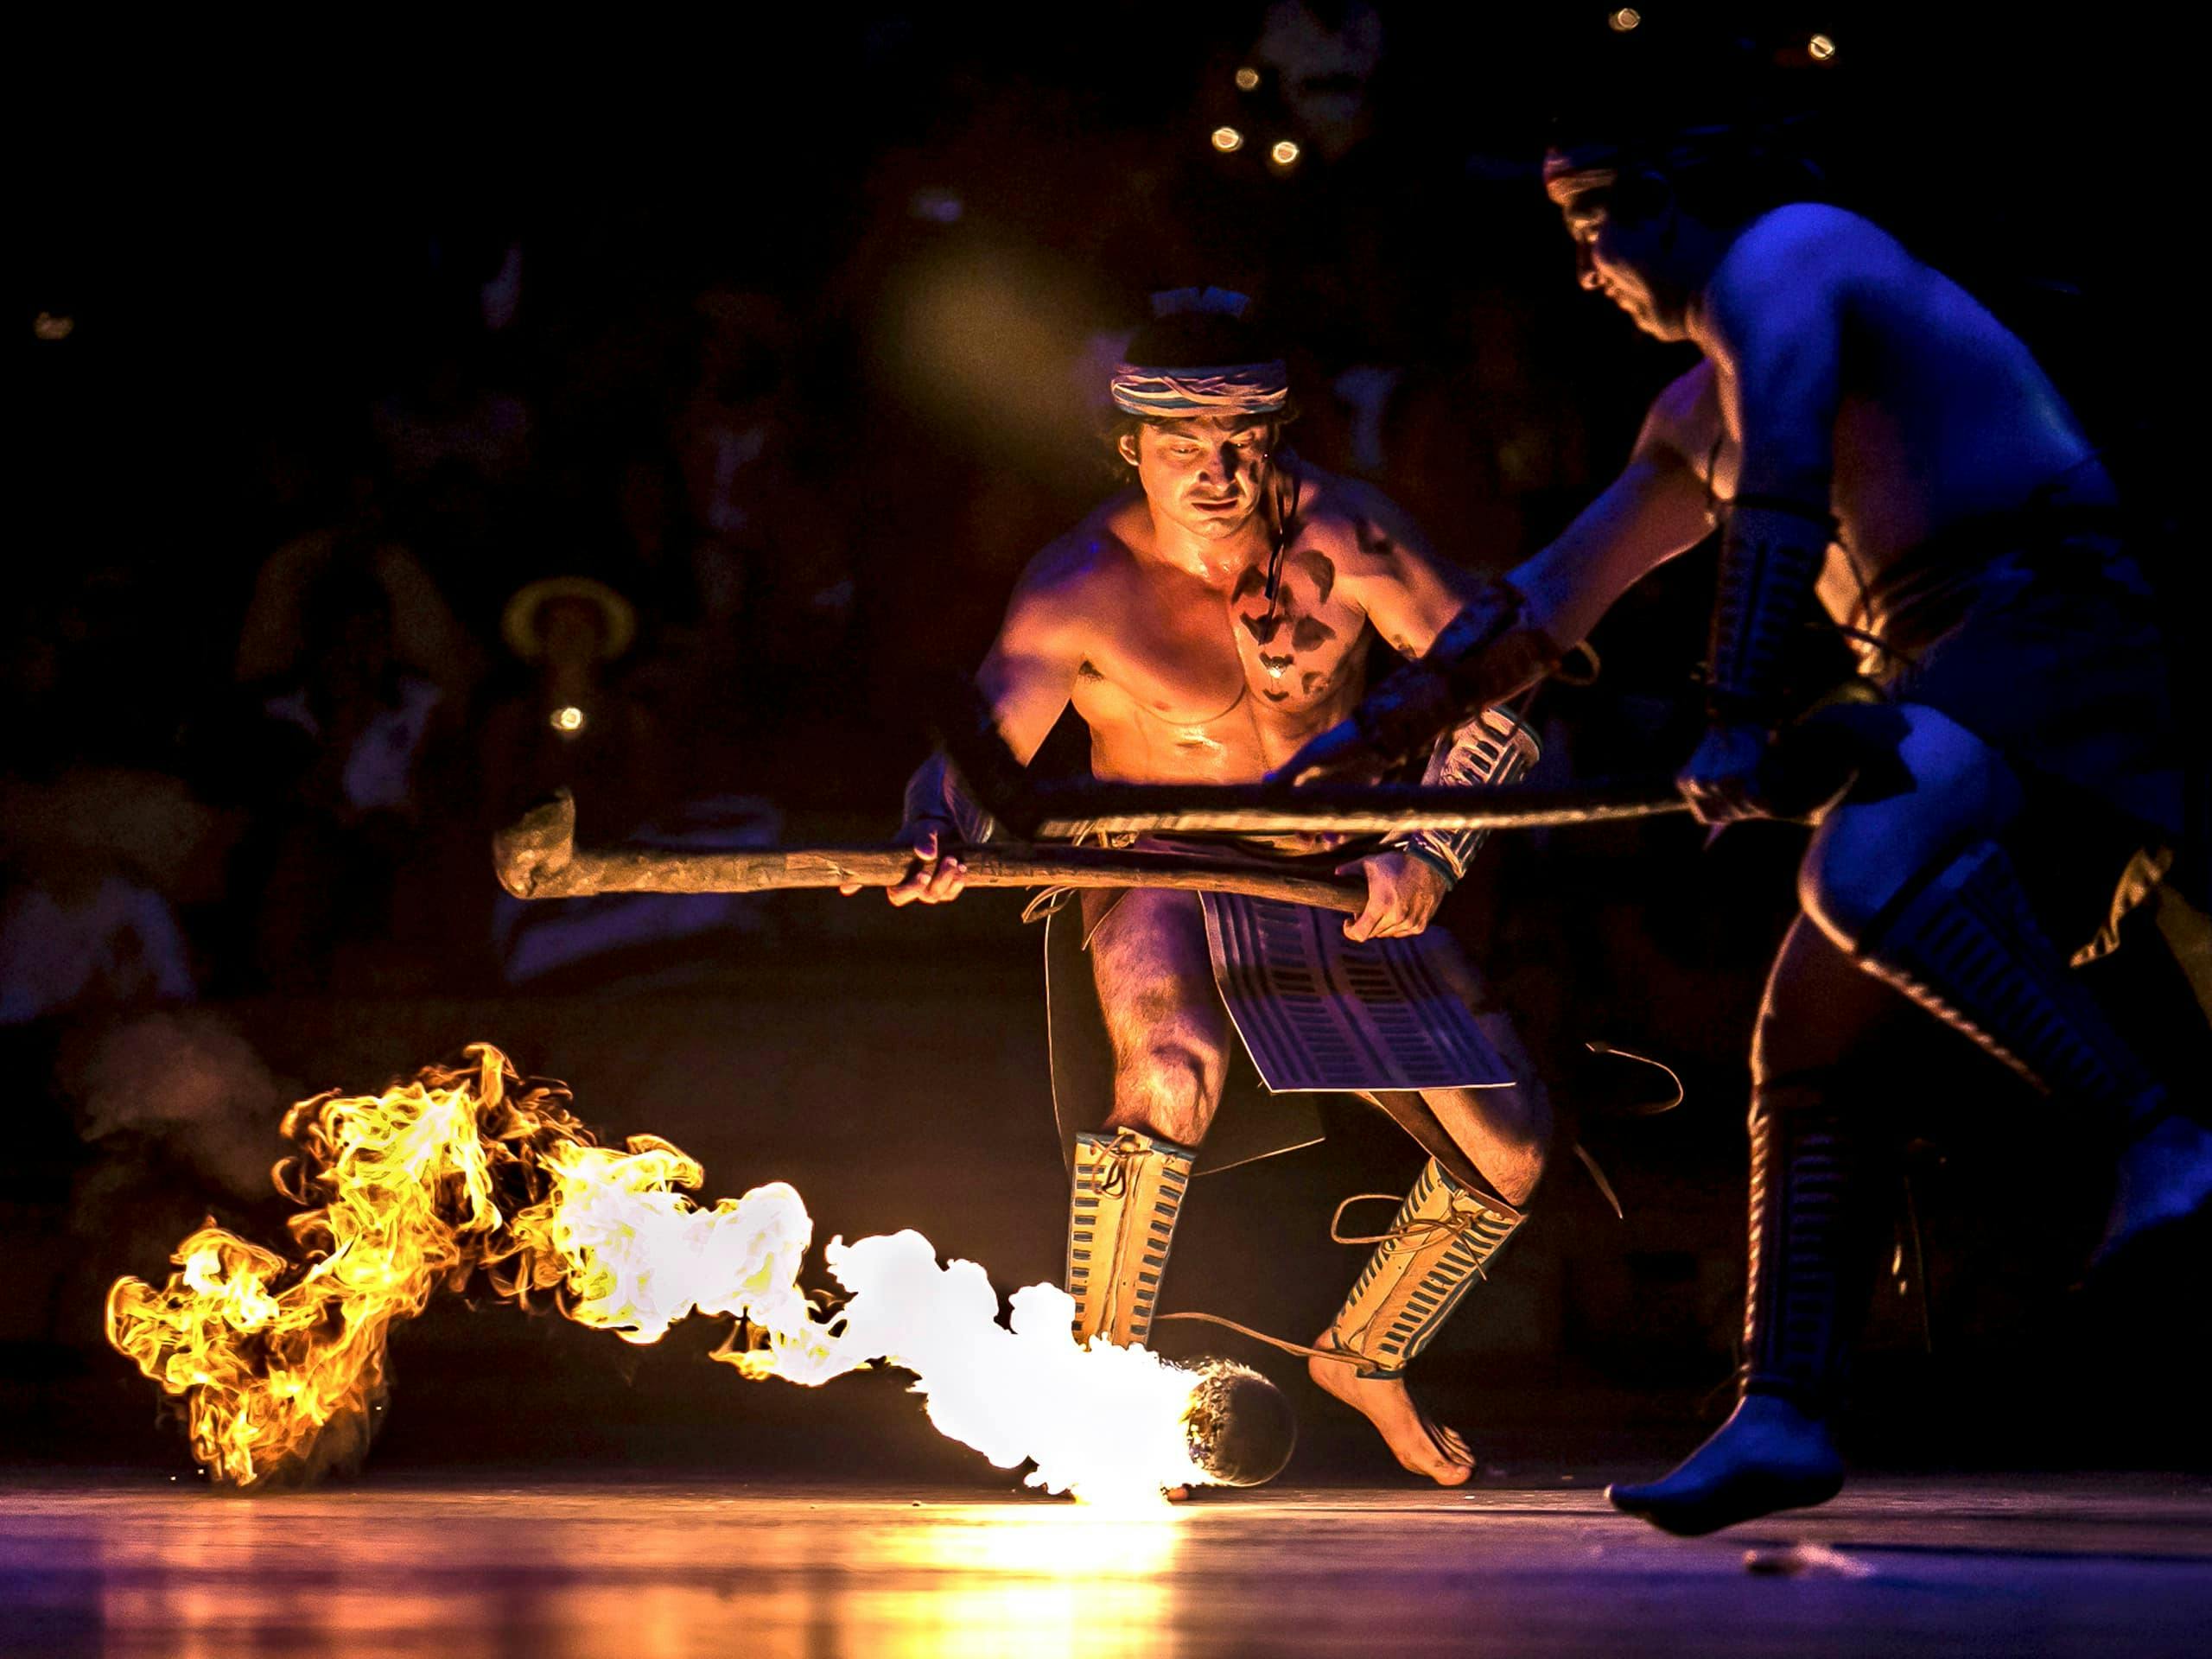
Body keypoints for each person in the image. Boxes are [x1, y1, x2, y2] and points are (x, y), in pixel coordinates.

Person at [1281, 106, 2212, 1533]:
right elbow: (1543, 608)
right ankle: (1781, 1412)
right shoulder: (1690, 418)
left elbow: (1788, 472)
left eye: (1594, 231)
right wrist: (1368, 739)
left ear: (1670, 202)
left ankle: (2161, 1129)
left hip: (2059, 626)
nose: (1587, 274)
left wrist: (1730, 708)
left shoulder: (1796, 254)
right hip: (1947, 676)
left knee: (1866, 864)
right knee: (1810, 1033)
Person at [860, 289, 1553, 1485]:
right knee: (1172, 1071)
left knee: (1513, 1156)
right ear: (1131, 445)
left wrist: (1429, 851)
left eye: (1243, 442)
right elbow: (981, 747)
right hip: (1159, 862)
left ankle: (1367, 1354)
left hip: (1336, 875)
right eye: (1184, 447)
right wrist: (936, 825)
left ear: (1277, 435)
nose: (1219, 472)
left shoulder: (1356, 541)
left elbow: (1501, 685)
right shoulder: (1081, 583)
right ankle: (1101, 1380)